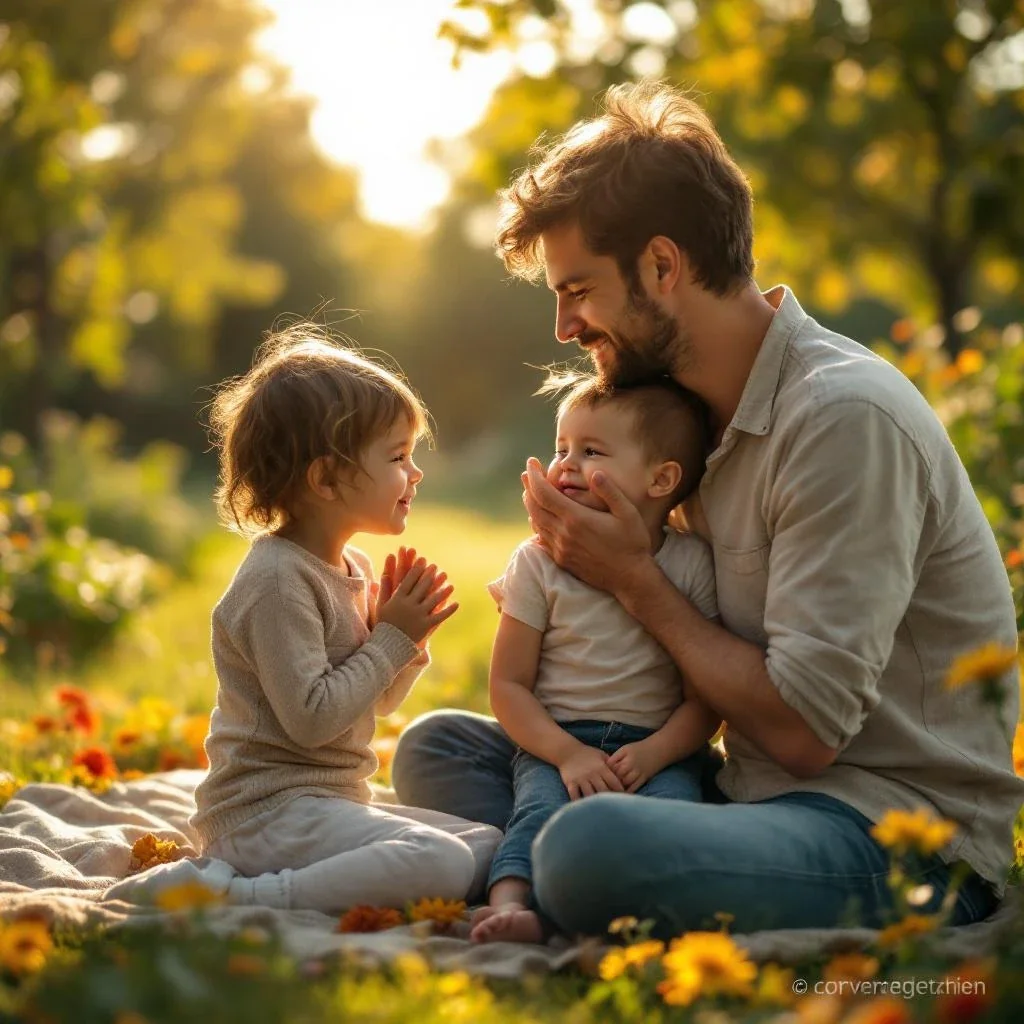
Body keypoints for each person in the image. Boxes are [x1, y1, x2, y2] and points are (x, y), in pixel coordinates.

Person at [392, 82, 1023, 939]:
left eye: (577, 290)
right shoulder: (680, 423)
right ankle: (562, 857)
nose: (563, 327)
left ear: (662, 265)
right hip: (740, 789)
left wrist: (633, 578)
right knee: (439, 749)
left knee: (588, 849)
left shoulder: (840, 419)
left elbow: (804, 736)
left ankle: (549, 864)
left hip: (890, 832)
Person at [107, 328, 501, 912]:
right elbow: (314, 720)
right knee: (441, 861)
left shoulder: (352, 566)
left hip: (328, 802)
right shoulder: (276, 580)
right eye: (397, 457)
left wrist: (408, 641)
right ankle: (241, 896)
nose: (415, 474)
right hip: (263, 815)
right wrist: (389, 639)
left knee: (487, 844)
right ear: (324, 479)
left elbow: (377, 704)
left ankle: (267, 886)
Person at [470, 373, 720, 944]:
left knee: (674, 820)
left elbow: (705, 701)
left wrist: (658, 753)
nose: (565, 465)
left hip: (658, 752)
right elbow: (509, 685)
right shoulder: (537, 563)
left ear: (661, 479)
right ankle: (507, 904)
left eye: (590, 452)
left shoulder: (691, 566)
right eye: (561, 449)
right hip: (559, 741)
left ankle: (609, 906)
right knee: (538, 810)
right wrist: (567, 754)